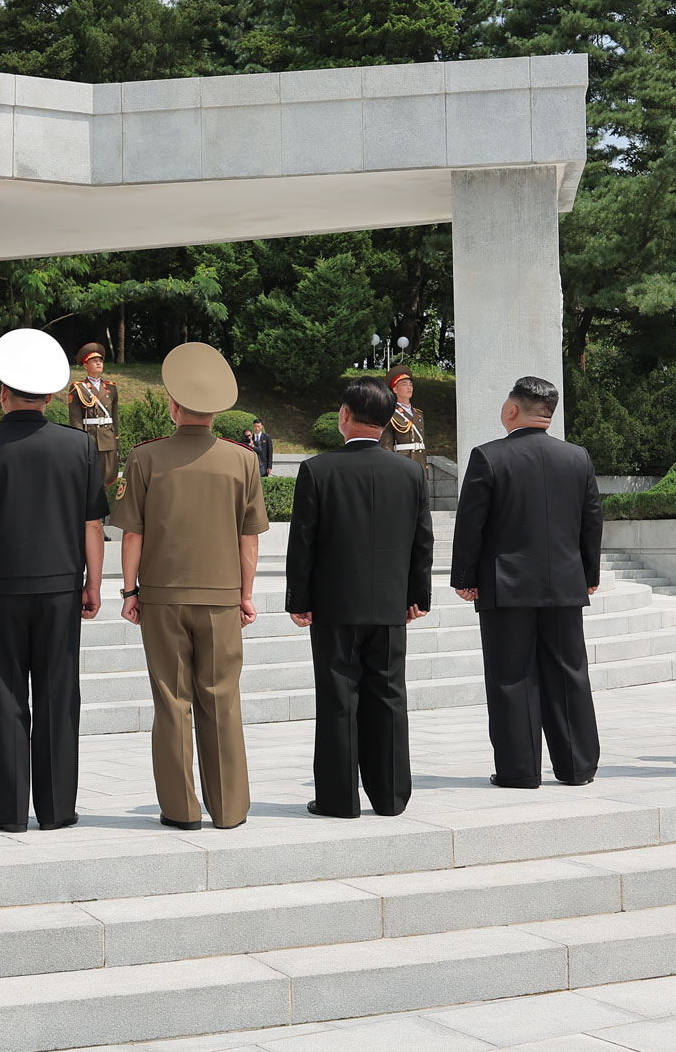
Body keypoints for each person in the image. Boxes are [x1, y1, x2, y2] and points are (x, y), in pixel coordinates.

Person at [0, 329, 108, 833]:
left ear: (3, 392)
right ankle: (57, 809)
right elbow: (93, 527)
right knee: (59, 698)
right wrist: (94, 584)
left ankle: (7, 810)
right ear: (52, 396)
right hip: (62, 587)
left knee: (4, 696)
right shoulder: (79, 447)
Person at [113, 343, 269, 830]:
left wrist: (129, 590)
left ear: (173, 406)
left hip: (161, 595)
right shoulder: (243, 461)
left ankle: (181, 810)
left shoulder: (145, 458)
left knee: (172, 701)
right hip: (222, 598)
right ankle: (229, 809)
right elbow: (249, 541)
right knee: (221, 699)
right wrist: (245, 595)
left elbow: (133, 534)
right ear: (219, 409)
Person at [286, 377, 434, 818]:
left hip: (334, 606)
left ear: (344, 416)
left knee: (337, 699)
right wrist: (416, 597)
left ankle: (338, 798)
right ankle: (390, 796)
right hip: (390, 605)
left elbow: (304, 543)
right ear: (390, 421)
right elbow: (421, 541)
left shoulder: (317, 469)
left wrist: (300, 599)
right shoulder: (410, 471)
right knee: (388, 696)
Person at [450, 376, 604, 787]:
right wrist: (588, 575)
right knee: (570, 672)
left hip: (507, 587)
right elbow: (591, 522)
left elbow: (471, 526)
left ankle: (519, 770)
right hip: (565, 586)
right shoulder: (578, 458)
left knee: (511, 676)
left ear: (512, 409)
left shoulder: (488, 457)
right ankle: (577, 767)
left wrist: (464, 578)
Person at [68, 344, 121, 492]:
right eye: (94, 361)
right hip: (89, 438)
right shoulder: (78, 387)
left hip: (107, 439)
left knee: (107, 479)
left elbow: (114, 415)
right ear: (85, 365)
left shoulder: (111, 387)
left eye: (100, 360)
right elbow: (75, 419)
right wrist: (79, 441)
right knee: (89, 480)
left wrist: (115, 437)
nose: (99, 363)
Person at [378, 368, 430, 472]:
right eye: (404, 384)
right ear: (395, 389)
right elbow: (386, 446)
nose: (409, 387)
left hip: (420, 465)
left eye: (410, 384)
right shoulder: (391, 413)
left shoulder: (418, 414)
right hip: (402, 466)